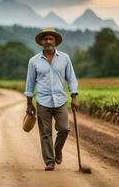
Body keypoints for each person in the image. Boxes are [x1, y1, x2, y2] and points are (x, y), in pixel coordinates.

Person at [24, 27, 79, 171]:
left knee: (65, 128)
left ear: (55, 41)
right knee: (45, 134)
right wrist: (29, 104)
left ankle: (57, 149)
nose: (48, 41)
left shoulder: (65, 58)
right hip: (42, 101)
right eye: (45, 39)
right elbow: (29, 83)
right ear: (41, 42)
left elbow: (71, 78)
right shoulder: (33, 61)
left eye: (51, 39)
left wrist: (74, 96)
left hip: (60, 100)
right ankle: (49, 161)